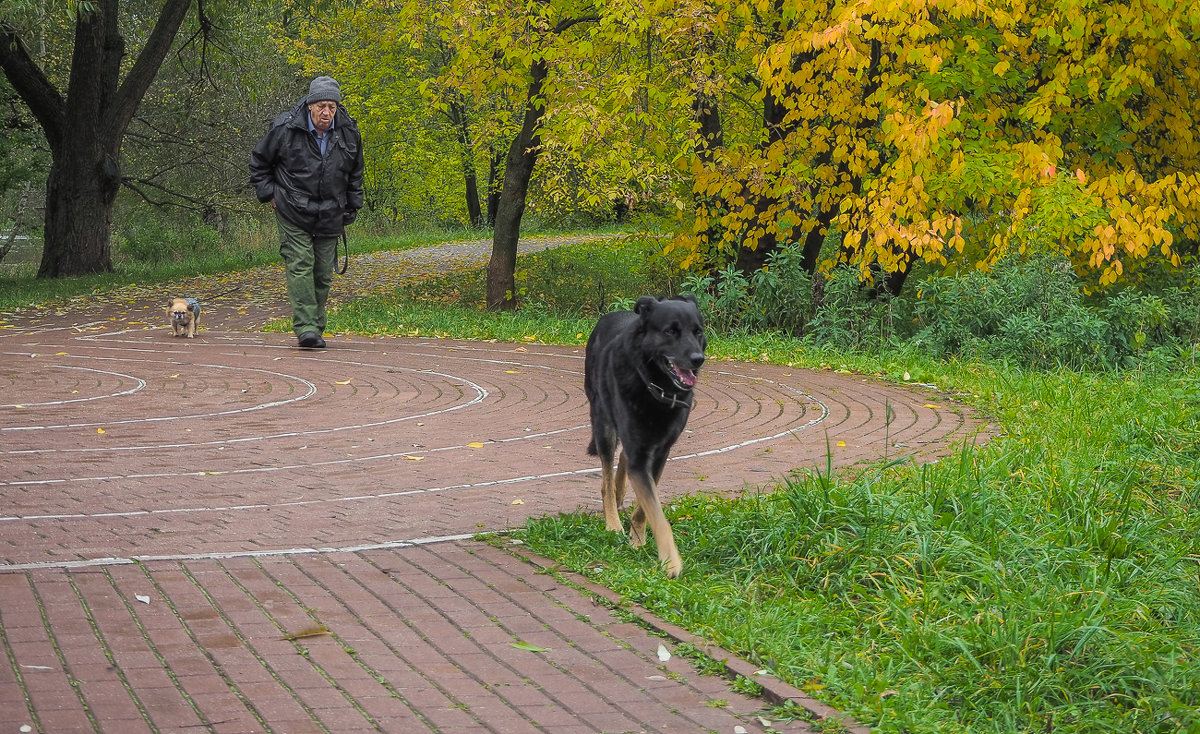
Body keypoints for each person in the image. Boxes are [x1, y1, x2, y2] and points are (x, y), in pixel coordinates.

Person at [249, 76, 364, 349]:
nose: (327, 113)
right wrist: (270, 195)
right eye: (322, 106)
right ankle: (307, 329)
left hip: (330, 211)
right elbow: (259, 163)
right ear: (310, 105)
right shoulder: (285, 128)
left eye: (332, 107)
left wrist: (352, 204)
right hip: (292, 208)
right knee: (300, 264)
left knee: (323, 272)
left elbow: (356, 172)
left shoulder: (349, 132)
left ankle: (316, 327)